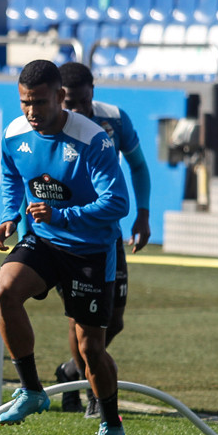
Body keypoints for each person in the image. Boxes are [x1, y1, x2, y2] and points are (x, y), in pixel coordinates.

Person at [0, 59, 129, 435]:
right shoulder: (15, 134)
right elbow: (11, 176)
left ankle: (110, 423)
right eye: (24, 103)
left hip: (89, 250)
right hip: (45, 241)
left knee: (90, 348)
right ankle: (32, 390)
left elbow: (118, 203)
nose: (31, 112)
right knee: (5, 291)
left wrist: (62, 214)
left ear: (61, 97)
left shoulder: (93, 139)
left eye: (39, 102)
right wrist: (9, 216)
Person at [54, 61, 151, 416]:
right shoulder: (53, 123)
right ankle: (95, 389)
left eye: (82, 101)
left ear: (92, 92)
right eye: (69, 102)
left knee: (116, 320)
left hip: (107, 234)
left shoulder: (115, 120)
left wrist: (143, 214)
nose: (76, 110)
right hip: (68, 236)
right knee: (80, 319)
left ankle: (72, 370)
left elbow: (138, 165)